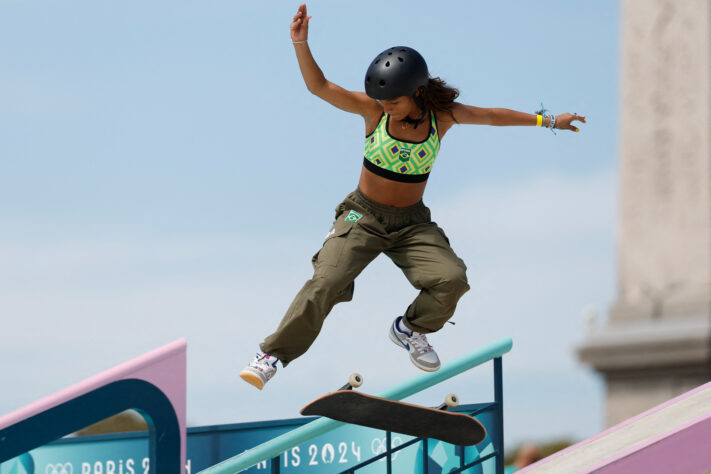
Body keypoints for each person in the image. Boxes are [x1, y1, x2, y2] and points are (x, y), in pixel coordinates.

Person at [240, 3, 585, 390]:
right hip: (361, 217)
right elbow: (319, 87)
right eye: (383, 102)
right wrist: (300, 42)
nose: (387, 108)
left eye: (395, 102)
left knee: (452, 278)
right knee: (327, 280)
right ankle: (272, 354)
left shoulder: (443, 117)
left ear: (417, 92)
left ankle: (410, 329)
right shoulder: (373, 112)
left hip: (412, 224)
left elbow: (491, 115)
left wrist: (550, 120)